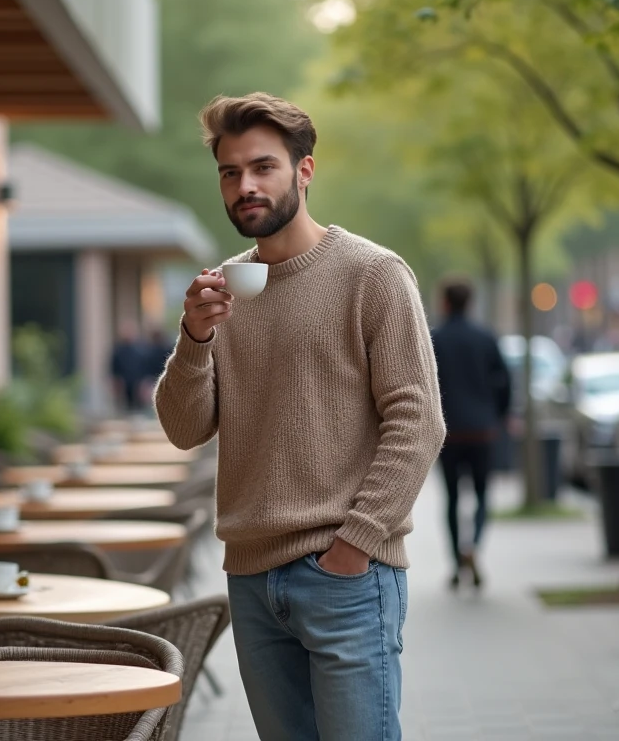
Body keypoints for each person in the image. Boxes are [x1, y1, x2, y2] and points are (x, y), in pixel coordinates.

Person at [153, 92, 446, 741]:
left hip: (345, 575)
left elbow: (417, 422)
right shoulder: (224, 289)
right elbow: (183, 428)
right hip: (252, 581)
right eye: (230, 173)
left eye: (263, 168)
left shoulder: (372, 275)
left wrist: (355, 546)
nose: (245, 186)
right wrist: (194, 337)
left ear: (304, 171)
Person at [429, 279, 512, 589]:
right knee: (481, 496)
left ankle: (455, 563)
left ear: (446, 303)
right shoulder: (486, 338)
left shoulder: (436, 338)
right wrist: (499, 416)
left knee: (451, 499)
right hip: (482, 431)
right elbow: (505, 381)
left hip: (448, 433)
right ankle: (473, 547)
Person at [109, 321, 150, 413]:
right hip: (123, 383)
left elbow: (144, 367)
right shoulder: (118, 351)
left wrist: (144, 382)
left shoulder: (140, 350)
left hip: (137, 383)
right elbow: (114, 367)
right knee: (124, 409)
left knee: (139, 409)